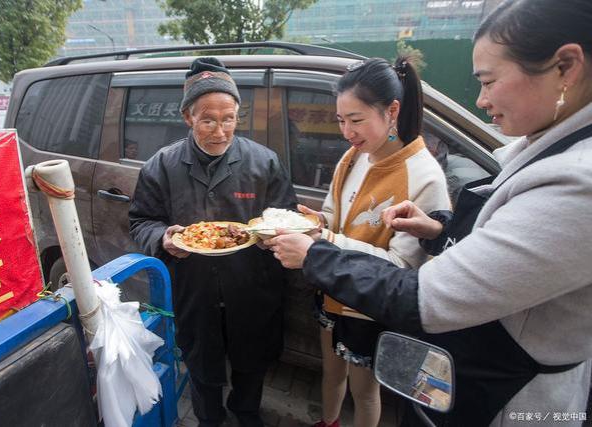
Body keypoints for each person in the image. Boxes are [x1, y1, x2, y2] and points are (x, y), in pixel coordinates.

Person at [265, 1, 592, 425]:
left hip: (512, 397)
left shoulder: (575, 183)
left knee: (367, 391)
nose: (481, 99)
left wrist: (315, 251)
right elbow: (495, 258)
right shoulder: (544, 152)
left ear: (566, 66)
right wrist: (437, 232)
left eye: (489, 81)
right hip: (444, 354)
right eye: (340, 120)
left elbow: (425, 295)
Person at [129, 57, 297, 427]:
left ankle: (247, 413)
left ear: (238, 115)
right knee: (202, 366)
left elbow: (285, 218)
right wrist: (164, 237)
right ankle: (208, 419)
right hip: (195, 289)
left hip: (252, 287)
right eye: (208, 120)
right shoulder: (162, 165)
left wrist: (276, 236)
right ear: (188, 117)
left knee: (251, 364)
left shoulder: (263, 162)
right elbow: (141, 221)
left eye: (229, 119)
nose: (220, 131)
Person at [290, 56, 450, 427]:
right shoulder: (355, 155)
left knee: (365, 391)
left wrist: (323, 240)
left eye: (356, 120)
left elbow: (402, 269)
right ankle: (327, 422)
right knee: (331, 373)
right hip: (333, 289)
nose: (347, 131)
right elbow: (334, 215)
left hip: (372, 306)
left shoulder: (424, 177)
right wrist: (316, 221)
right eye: (341, 120)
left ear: (392, 111)